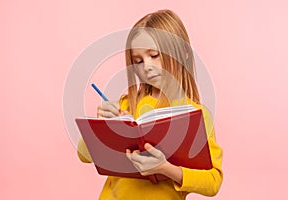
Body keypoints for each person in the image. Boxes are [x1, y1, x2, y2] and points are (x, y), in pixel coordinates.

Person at [77, 9, 223, 199]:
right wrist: (102, 127)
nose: (146, 66)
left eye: (154, 55)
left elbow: (213, 182)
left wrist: (166, 169)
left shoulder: (196, 115)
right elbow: (84, 156)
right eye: (138, 61)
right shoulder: (126, 104)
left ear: (183, 54)